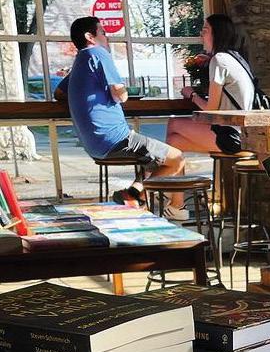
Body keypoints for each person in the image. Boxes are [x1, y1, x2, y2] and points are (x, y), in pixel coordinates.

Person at [55, 16, 185, 218]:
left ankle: (136, 194)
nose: (107, 37)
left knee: (154, 160)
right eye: (103, 33)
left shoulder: (80, 62)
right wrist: (122, 93)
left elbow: (58, 93)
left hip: (93, 145)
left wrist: (85, 98)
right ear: (90, 37)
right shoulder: (98, 53)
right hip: (114, 138)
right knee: (177, 158)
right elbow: (120, 94)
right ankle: (167, 207)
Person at [165, 13, 259, 158]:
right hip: (246, 134)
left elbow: (211, 110)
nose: (201, 35)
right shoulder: (234, 57)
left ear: (217, 33)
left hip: (233, 137)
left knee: (174, 124)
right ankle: (167, 171)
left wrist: (192, 95)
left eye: (205, 30)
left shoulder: (219, 60)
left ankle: (160, 170)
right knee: (174, 141)